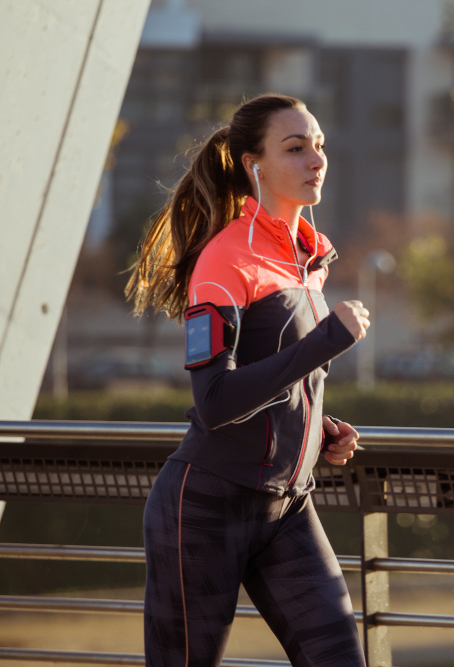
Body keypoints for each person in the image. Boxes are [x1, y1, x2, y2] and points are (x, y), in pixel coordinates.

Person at [127, 93, 370, 667]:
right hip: (205, 508)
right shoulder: (225, 260)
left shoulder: (307, 260)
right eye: (296, 148)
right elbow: (215, 400)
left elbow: (277, 376)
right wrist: (326, 340)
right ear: (252, 164)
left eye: (319, 145)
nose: (316, 160)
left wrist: (314, 427)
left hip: (288, 507)